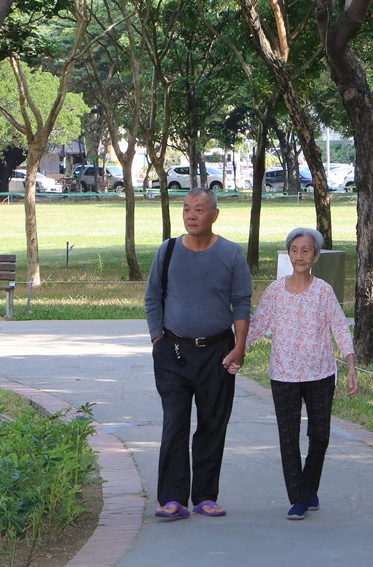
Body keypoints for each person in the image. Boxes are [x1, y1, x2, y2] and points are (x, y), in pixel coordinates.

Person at [144, 188, 253, 520]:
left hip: (217, 352)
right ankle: (172, 499)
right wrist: (157, 340)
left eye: (200, 210)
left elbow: (243, 303)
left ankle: (205, 496)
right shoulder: (169, 251)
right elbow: (152, 298)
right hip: (173, 352)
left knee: (211, 425)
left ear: (215, 215)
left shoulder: (232, 255)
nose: (192, 216)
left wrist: (239, 346)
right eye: (187, 209)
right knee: (174, 423)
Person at [237, 227, 358, 520]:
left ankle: (308, 486)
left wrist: (351, 364)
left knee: (320, 435)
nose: (300, 256)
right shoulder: (276, 291)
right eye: (295, 250)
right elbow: (257, 326)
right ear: (288, 253)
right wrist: (236, 351)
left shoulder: (323, 291)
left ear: (315, 255)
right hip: (284, 375)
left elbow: (340, 327)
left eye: (306, 250)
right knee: (288, 437)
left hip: (320, 374)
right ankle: (299, 498)